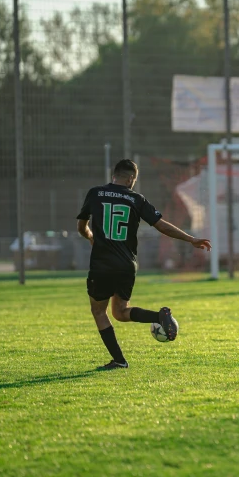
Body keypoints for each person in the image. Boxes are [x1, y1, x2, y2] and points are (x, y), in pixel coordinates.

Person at [76, 159, 211, 370]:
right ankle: (158, 317)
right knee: (120, 312)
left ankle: (119, 360)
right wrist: (191, 239)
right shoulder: (136, 199)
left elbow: (81, 227)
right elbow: (162, 226)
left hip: (102, 264)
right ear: (130, 178)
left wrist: (91, 236)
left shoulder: (95, 193)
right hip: (127, 264)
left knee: (99, 311)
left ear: (115, 175)